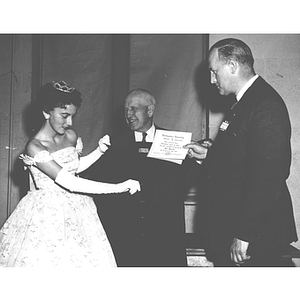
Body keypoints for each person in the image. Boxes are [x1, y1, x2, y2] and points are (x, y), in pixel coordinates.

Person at [0, 80, 141, 267]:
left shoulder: (71, 136)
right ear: (46, 112)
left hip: (78, 211)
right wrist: (120, 187)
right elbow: (70, 182)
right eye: (64, 115)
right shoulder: (35, 147)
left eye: (73, 116)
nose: (70, 122)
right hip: (47, 216)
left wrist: (99, 151)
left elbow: (74, 169)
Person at [184, 38, 298, 267]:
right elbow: (243, 158)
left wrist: (244, 234)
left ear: (233, 66)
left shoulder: (265, 105)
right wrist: (209, 154)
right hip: (237, 228)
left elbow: (268, 178)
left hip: (255, 238)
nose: (212, 79)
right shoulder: (245, 102)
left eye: (214, 71)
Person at [82, 88, 190, 266]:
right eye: (126, 110)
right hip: (127, 236)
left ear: (150, 110)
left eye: (133, 109)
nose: (128, 114)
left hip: (164, 235)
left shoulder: (174, 142)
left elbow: (181, 183)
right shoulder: (113, 143)